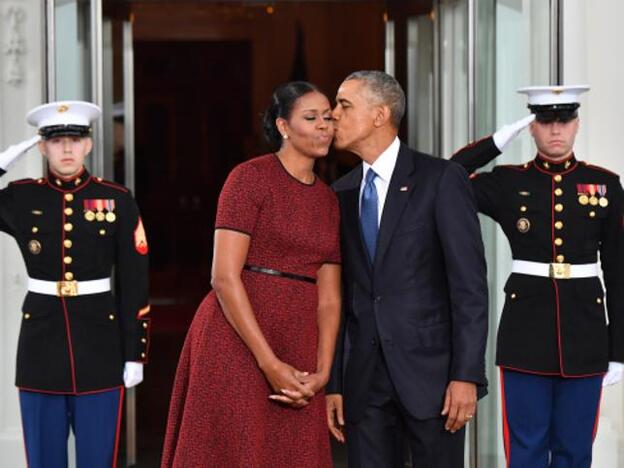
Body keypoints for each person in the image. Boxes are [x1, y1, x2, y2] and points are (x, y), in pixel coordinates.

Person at [161, 81, 341, 467]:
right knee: (234, 451)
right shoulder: (249, 178)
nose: (324, 125)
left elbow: (329, 297)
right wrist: (269, 363)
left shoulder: (329, 199)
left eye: (328, 117)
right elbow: (224, 277)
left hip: (299, 343)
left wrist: (323, 370)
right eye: (311, 118)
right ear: (283, 126)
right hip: (236, 339)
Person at [451, 85, 624, 467]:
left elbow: (618, 269)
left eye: (564, 120)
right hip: (524, 335)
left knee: (575, 450)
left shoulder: (606, 184)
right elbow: (449, 176)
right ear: (531, 128)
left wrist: (619, 349)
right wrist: (496, 141)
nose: (556, 130)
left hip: (587, 335)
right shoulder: (508, 182)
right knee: (526, 448)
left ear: (577, 124)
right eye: (545, 121)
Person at [325, 70, 489, 468]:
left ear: (380, 115)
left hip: (433, 381)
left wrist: (466, 375)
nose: (332, 115)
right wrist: (335, 383)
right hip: (364, 383)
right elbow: (343, 295)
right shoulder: (340, 193)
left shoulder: (440, 179)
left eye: (344, 105)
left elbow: (469, 287)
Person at [0, 101, 150, 468]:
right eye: (55, 141)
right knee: (44, 460)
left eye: (74, 139)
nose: (66, 149)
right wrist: (3, 161)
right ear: (41, 146)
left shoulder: (117, 200)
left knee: (97, 460)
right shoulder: (22, 197)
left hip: (100, 346)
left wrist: (135, 352)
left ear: (89, 144)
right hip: (40, 347)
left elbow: (133, 279)